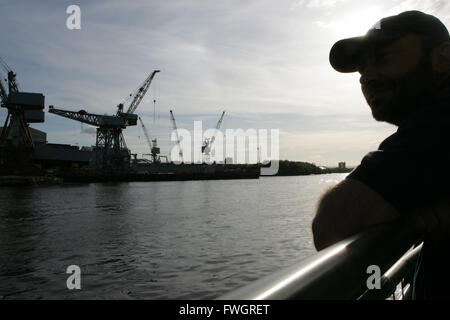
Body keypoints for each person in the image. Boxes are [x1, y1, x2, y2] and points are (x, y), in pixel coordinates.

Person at [312, 10, 450, 299]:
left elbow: (331, 227)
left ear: (444, 58)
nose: (367, 77)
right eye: (362, 68)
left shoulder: (440, 120)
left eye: (384, 58)